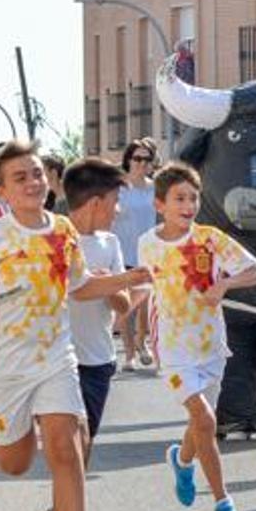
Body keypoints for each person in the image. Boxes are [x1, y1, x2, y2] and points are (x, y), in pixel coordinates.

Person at [0, 140, 150, 511]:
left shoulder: (63, 229)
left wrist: (129, 278)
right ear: (1, 192)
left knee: (66, 452)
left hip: (56, 358)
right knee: (13, 464)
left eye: (36, 173)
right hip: (4, 364)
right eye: (20, 177)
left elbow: (81, 287)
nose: (33, 182)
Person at [138, 162, 256, 511]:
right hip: (173, 347)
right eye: (179, 198)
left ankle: (182, 459)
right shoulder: (148, 243)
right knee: (206, 420)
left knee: (200, 425)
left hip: (210, 345)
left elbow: (255, 270)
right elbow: (146, 287)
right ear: (160, 204)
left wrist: (224, 285)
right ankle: (224, 503)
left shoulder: (210, 238)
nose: (188, 204)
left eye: (193, 198)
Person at [39, 157, 131, 511]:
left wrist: (107, 284)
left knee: (84, 451)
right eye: (114, 200)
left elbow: (123, 303)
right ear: (95, 201)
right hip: (59, 360)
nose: (118, 209)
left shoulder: (110, 244)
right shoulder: (54, 238)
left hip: (98, 360)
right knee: (74, 445)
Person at [113, 139, 158, 370]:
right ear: (128, 160)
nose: (142, 163)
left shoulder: (155, 188)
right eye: (137, 158)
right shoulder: (118, 187)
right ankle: (129, 353)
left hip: (147, 253)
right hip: (122, 252)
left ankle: (143, 341)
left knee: (145, 305)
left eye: (147, 159)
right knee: (126, 307)